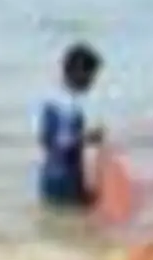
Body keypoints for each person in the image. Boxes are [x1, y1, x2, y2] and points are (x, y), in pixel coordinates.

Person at [38, 42, 106, 209]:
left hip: (48, 175)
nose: (92, 82)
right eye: (90, 76)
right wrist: (88, 137)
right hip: (66, 178)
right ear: (77, 72)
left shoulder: (51, 101)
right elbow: (64, 144)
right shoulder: (69, 107)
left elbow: (45, 140)